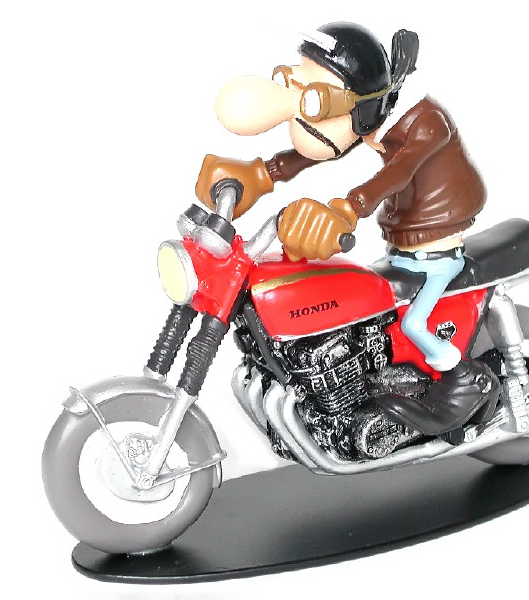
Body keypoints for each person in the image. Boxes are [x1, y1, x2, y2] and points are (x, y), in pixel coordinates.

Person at [197, 22, 496, 437]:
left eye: (315, 100)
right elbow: (321, 151)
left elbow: (396, 173)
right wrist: (263, 174)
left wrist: (347, 210)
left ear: (362, 105)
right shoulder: (373, 118)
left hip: (438, 248)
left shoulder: (427, 124)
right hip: (403, 245)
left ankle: (462, 379)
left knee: (414, 325)